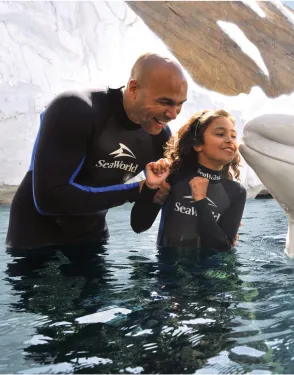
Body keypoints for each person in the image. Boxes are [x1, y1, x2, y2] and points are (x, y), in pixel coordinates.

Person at [6, 52, 188, 252]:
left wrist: (152, 192)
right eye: (165, 102)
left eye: (179, 104)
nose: (172, 114)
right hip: (34, 237)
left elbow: (140, 224)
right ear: (134, 88)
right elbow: (49, 199)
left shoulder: (159, 135)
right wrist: (134, 191)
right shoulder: (76, 108)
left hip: (92, 239)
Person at [130, 109, 246, 252]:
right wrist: (150, 188)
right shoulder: (174, 177)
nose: (229, 140)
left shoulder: (236, 192)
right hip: (168, 271)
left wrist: (201, 201)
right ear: (198, 144)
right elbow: (139, 226)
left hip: (209, 272)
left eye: (233, 136)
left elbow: (223, 247)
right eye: (220, 134)